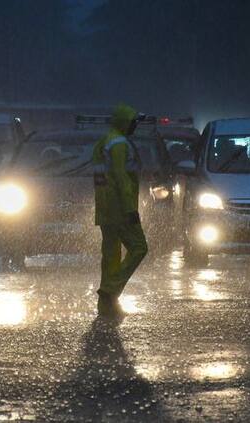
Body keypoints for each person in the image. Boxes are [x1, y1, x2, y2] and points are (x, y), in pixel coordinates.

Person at [92, 104, 148, 317]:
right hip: (119, 208)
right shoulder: (119, 144)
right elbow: (122, 178)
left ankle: (107, 306)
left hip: (105, 208)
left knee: (111, 255)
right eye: (134, 122)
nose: (135, 126)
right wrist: (130, 208)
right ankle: (109, 291)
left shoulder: (104, 142)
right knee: (139, 248)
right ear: (125, 122)